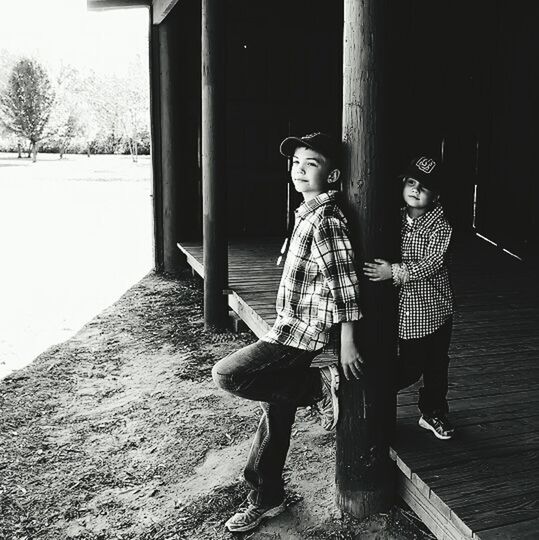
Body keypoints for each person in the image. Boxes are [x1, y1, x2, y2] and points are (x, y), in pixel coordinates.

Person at [212, 132, 363, 533]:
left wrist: (346, 341)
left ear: (332, 176)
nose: (299, 170)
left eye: (311, 164)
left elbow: (344, 284)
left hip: (300, 335)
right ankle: (266, 494)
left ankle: (316, 389)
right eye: (296, 162)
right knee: (274, 410)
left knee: (228, 374)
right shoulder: (308, 213)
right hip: (289, 326)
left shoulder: (327, 221)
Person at [364, 156, 455, 440]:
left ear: (436, 194)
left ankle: (433, 412)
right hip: (410, 314)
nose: (416, 190)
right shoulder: (394, 220)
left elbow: (433, 262)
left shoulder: (440, 227)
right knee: (411, 367)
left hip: (437, 309)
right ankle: (363, 392)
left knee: (437, 366)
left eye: (424, 187)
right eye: (411, 182)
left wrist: (392, 270)